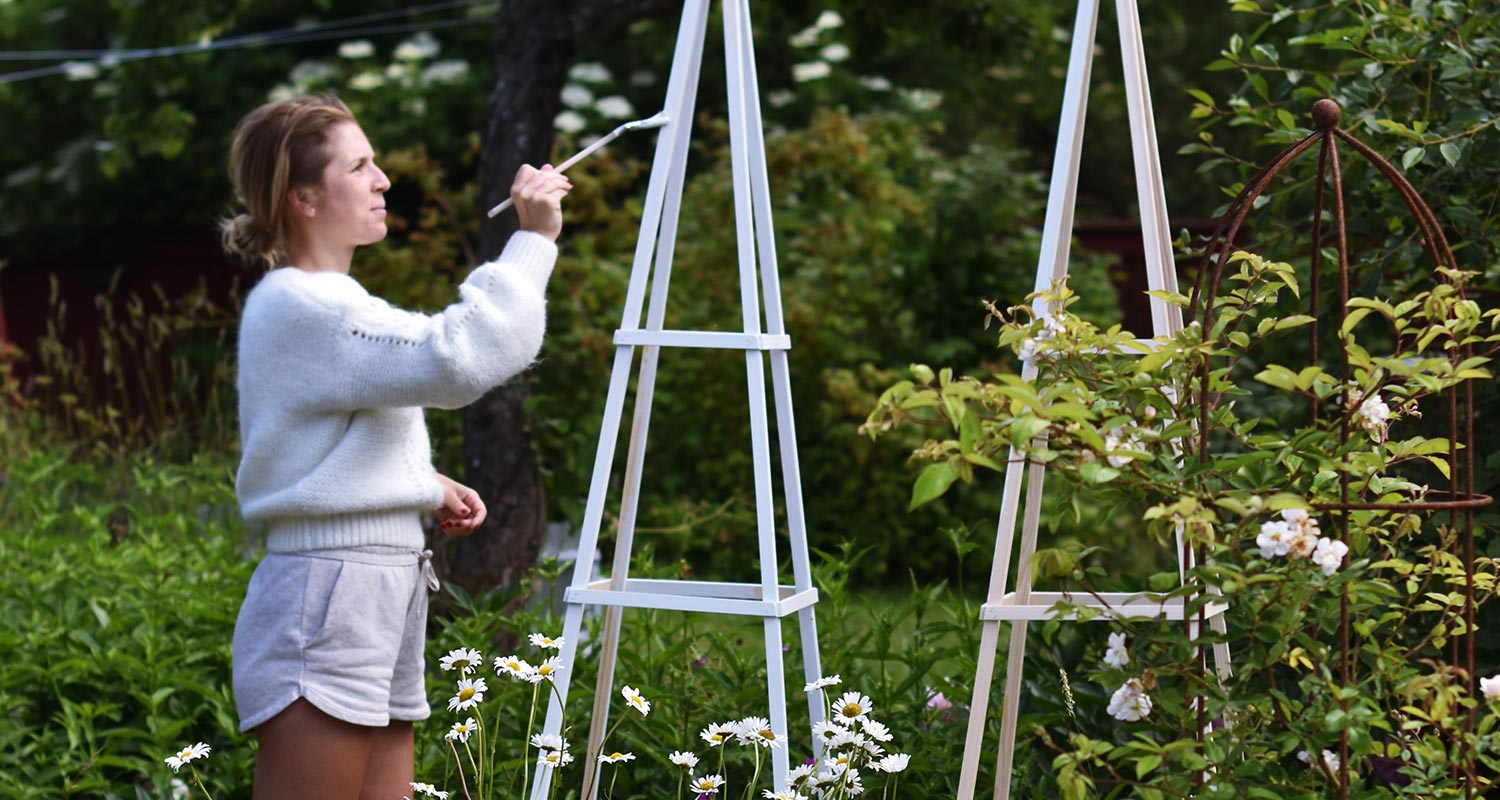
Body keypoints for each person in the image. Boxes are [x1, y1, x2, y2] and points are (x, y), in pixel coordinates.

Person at [220, 93, 571, 798]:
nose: (383, 179)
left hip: (372, 586)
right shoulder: (305, 305)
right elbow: (459, 357)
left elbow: (319, 437)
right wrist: (533, 241)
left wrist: (422, 482)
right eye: (360, 166)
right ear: (304, 200)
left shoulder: (332, 303)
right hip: (328, 594)